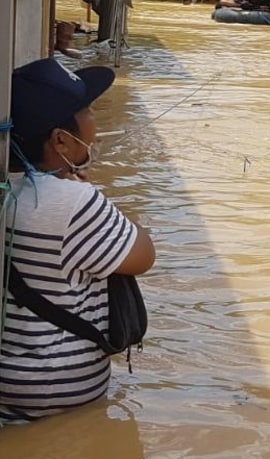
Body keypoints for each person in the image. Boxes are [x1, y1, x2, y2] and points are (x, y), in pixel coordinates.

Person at [0, 58, 155, 421]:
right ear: (61, 140)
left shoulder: (9, 190)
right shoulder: (74, 202)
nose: (95, 124)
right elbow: (142, 256)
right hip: (57, 390)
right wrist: (93, 194)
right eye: (88, 111)